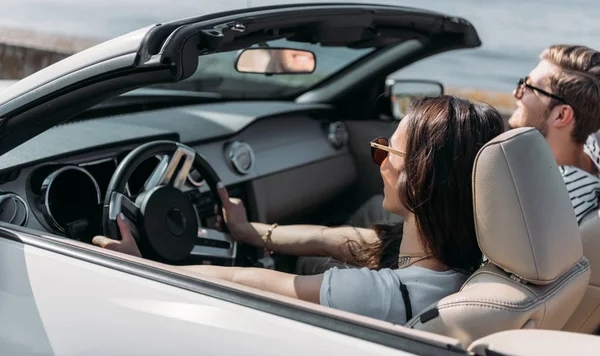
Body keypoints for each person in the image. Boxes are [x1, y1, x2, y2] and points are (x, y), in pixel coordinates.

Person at [93, 95, 504, 326]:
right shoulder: (463, 260)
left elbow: (246, 281)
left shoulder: (381, 295)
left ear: (421, 176)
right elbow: (336, 239)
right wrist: (250, 230)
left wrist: (144, 265)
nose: (378, 160)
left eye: (387, 150)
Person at [508, 45, 600, 223]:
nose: (516, 92)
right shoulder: (593, 150)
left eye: (529, 87)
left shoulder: (544, 203)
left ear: (561, 115)